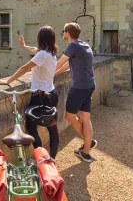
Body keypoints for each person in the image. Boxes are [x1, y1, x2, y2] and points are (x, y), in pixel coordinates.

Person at [0, 26, 60, 158]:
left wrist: (8, 81)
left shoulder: (42, 55)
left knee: (31, 127)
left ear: (40, 39)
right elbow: (34, 50)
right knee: (52, 128)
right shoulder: (51, 54)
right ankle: (51, 159)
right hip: (51, 94)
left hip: (40, 97)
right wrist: (24, 46)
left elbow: (24, 68)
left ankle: (41, 158)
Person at [55, 22, 97, 163]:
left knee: (69, 115)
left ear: (67, 33)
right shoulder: (84, 45)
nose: (63, 33)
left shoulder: (72, 46)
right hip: (90, 85)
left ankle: (87, 142)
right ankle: (85, 152)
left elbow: (60, 62)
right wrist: (55, 73)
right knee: (85, 118)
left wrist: (46, 73)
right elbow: (68, 65)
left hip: (79, 87)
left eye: (64, 31)